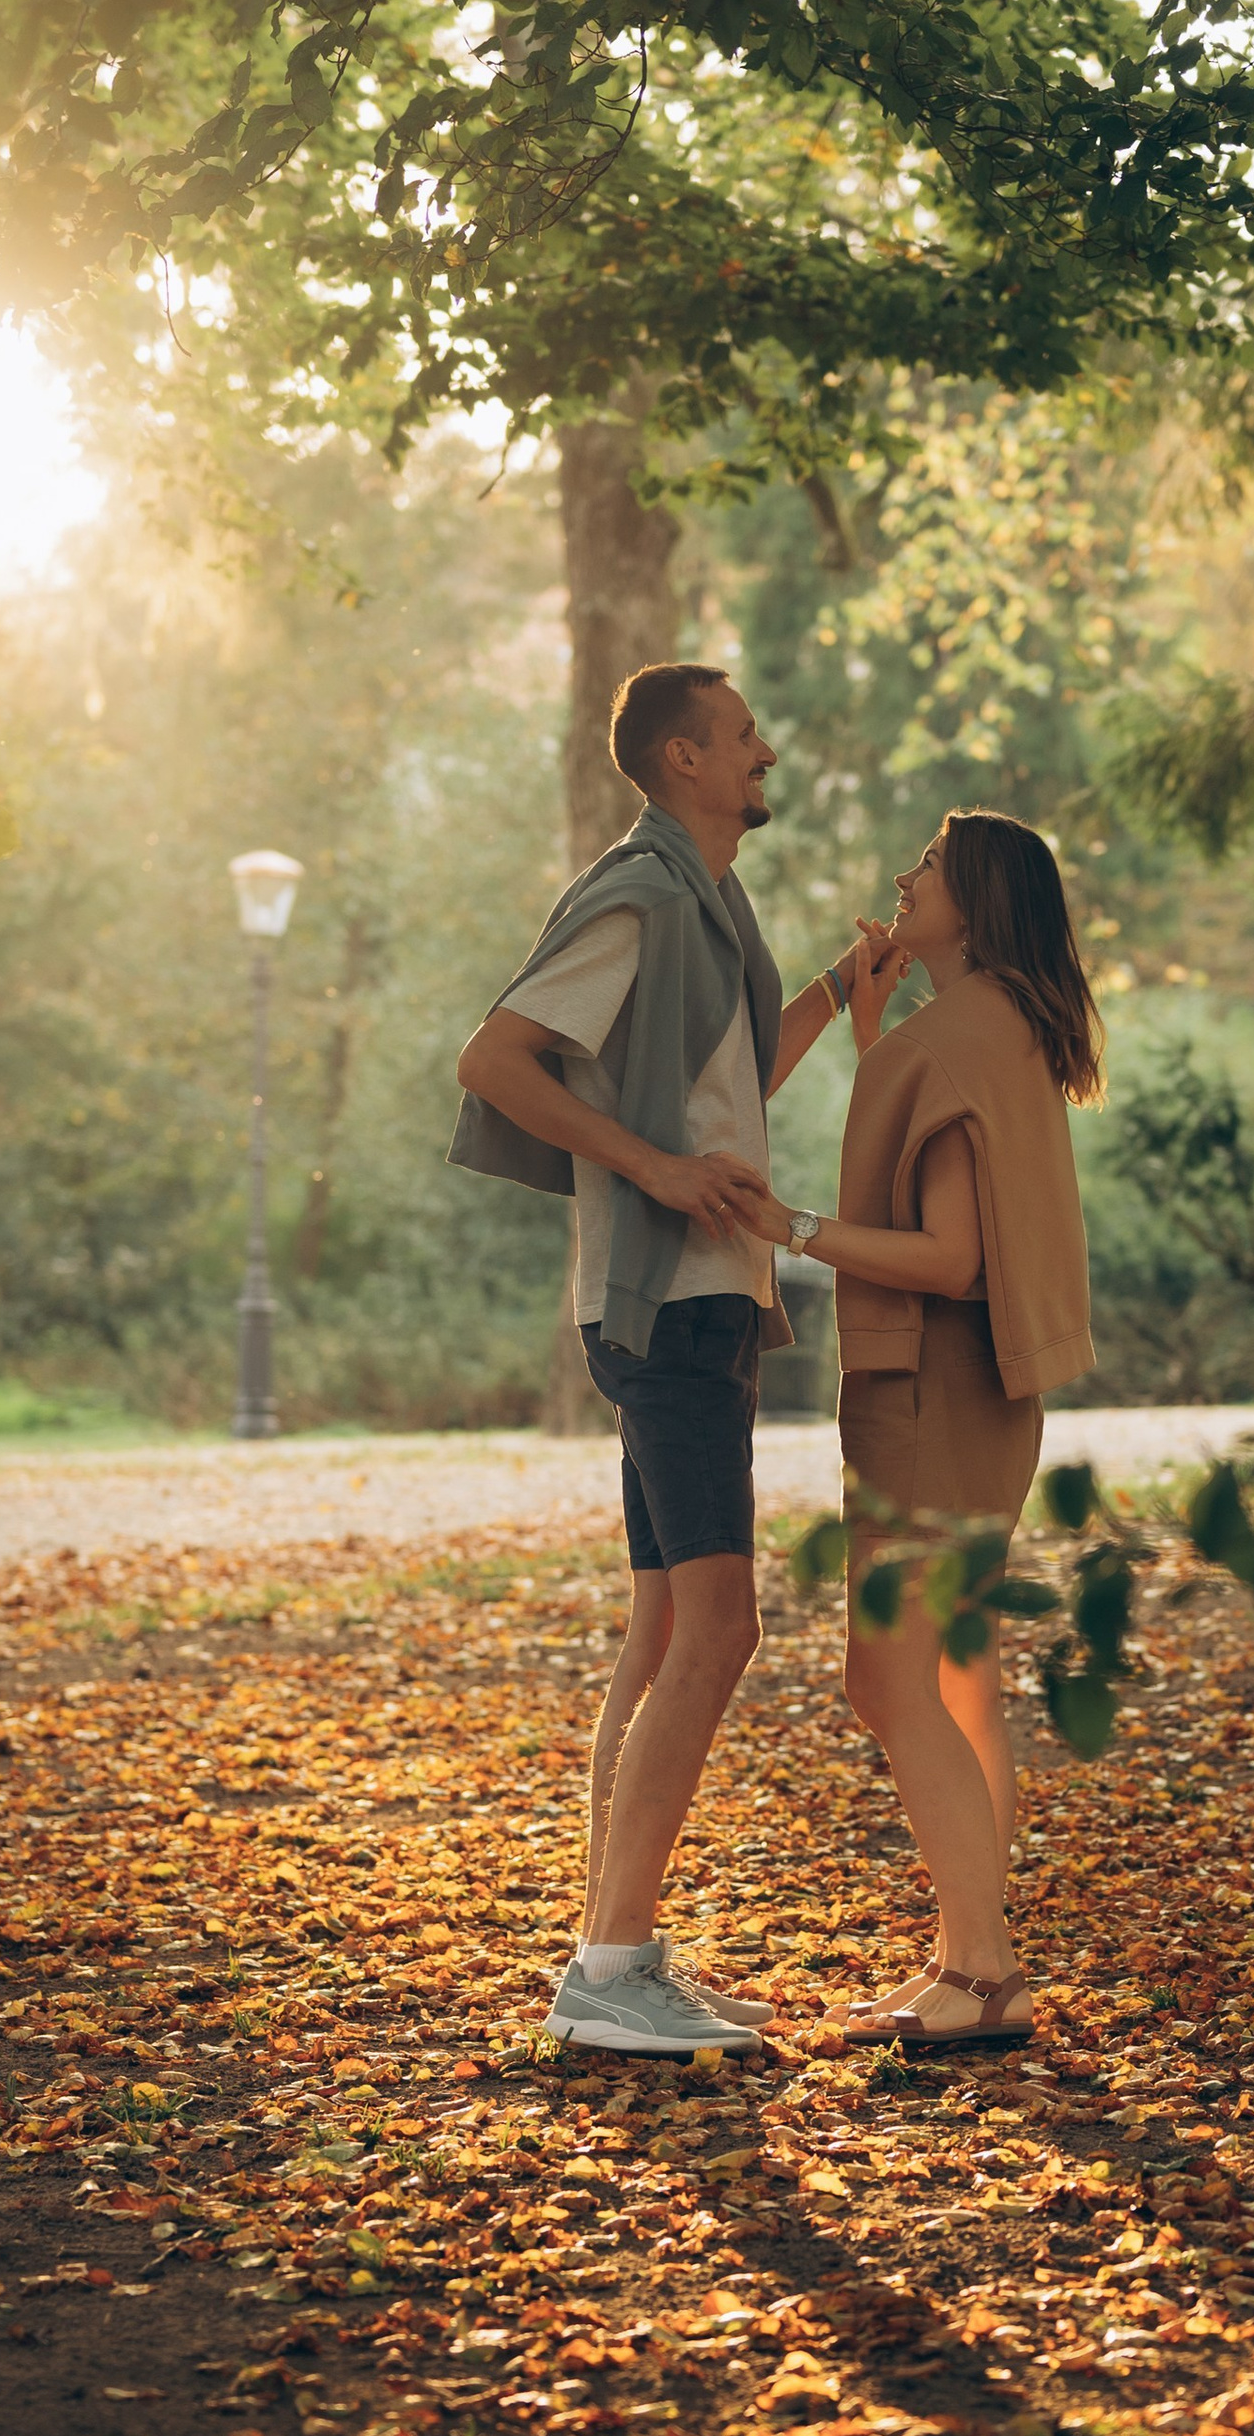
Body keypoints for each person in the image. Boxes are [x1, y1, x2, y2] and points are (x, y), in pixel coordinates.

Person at [451, 661, 895, 2058]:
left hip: (699, 1299)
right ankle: (605, 1971)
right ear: (685, 758)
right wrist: (648, 1167)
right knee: (719, 1627)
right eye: (744, 732)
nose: (766, 745)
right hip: (667, 1305)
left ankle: (616, 1949)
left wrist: (835, 988)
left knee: (665, 1628)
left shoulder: (706, 906)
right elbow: (493, 1059)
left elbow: (725, 1078)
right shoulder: (637, 895)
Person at [732, 810, 1104, 2047]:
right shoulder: (1001, 1029)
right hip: (986, 1401)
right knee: (955, 1677)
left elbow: (948, 1256)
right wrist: (874, 1029)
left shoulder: (959, 1039)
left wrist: (784, 1228)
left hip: (932, 1399)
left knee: (887, 1681)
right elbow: (951, 1170)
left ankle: (986, 1972)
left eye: (929, 867)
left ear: (977, 901)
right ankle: (965, 1956)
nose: (904, 877)